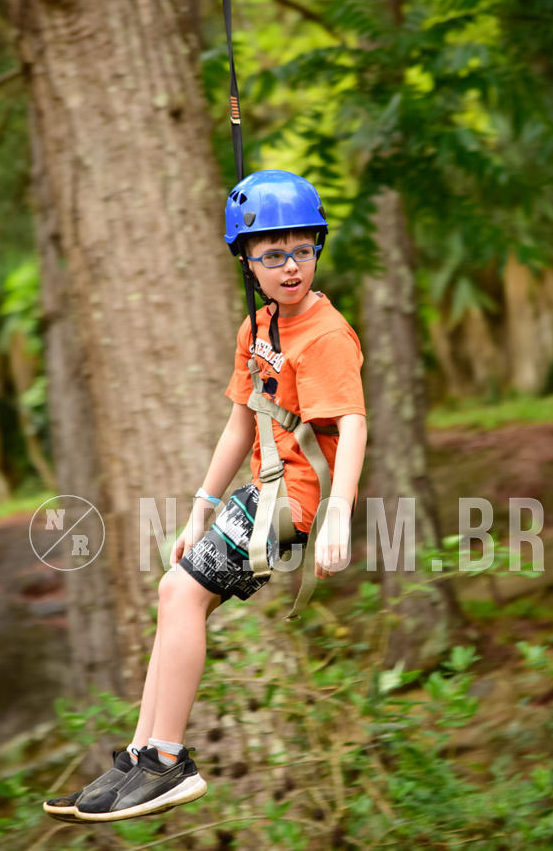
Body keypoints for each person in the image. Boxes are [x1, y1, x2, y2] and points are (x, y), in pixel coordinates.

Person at [43, 170, 366, 823]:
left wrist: (339, 516)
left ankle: (167, 760)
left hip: (298, 504)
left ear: (317, 250)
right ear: (245, 260)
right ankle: (140, 756)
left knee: (182, 593)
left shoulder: (326, 335)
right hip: (262, 492)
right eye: (272, 253)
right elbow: (241, 422)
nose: (290, 265)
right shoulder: (259, 330)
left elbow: (354, 425)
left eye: (302, 248)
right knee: (173, 589)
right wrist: (200, 509)